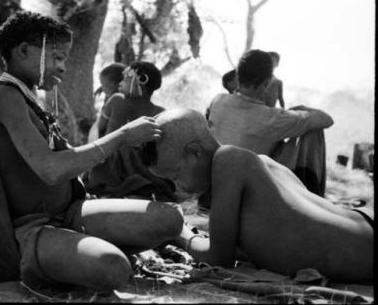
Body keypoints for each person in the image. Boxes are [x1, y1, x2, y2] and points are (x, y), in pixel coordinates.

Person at [0, 11, 187, 292]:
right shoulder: (4, 97)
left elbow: (66, 161)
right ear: (23, 51)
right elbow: (52, 170)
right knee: (112, 268)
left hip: (69, 213)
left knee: (170, 218)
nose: (63, 67)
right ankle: (61, 255)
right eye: (57, 57)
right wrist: (122, 136)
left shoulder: (29, 100)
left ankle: (75, 249)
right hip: (23, 231)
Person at [142, 108, 373, 282]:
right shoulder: (262, 163)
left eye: (174, 176)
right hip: (364, 226)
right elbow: (277, 236)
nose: (176, 188)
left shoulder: (228, 160)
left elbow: (219, 258)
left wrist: (178, 232)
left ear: (195, 152)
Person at [206, 49, 333, 198]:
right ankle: (311, 198)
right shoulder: (274, 119)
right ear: (266, 83)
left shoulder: (218, 101)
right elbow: (326, 119)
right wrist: (304, 109)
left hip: (213, 185)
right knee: (314, 131)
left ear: (238, 76)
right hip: (249, 192)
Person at [84, 61, 177, 201]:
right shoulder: (161, 112)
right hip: (144, 170)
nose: (120, 83)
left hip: (112, 171)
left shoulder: (116, 100)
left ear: (141, 83)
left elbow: (100, 128)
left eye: (126, 78)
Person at [88, 63, 126, 142]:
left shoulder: (115, 99)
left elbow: (101, 126)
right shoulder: (124, 96)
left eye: (103, 84)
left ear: (112, 84)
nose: (102, 88)